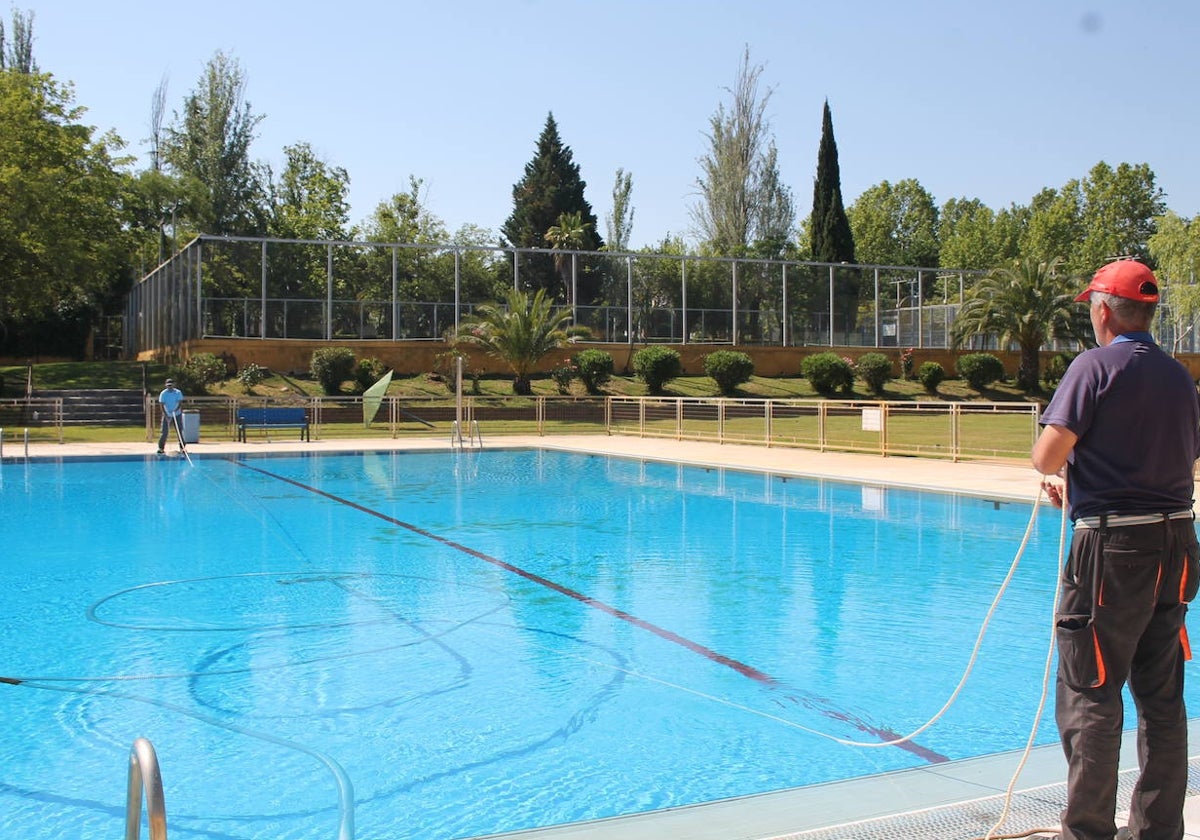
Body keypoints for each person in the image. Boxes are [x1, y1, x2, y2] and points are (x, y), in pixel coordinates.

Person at [1031, 259, 1200, 840]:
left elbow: (1047, 456)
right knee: (1162, 697)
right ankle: (1157, 831)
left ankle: (1087, 832)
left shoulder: (1094, 366)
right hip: (1176, 541)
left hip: (1111, 549)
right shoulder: (1180, 377)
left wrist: (1073, 483)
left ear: (1103, 311)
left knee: (1090, 691)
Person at [156, 378, 184, 454]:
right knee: (164, 432)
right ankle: (161, 448)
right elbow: (161, 405)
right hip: (167, 414)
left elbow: (180, 403)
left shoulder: (178, 392)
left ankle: (182, 448)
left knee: (179, 431)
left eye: (171, 385)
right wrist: (166, 415)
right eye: (168, 385)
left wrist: (175, 410)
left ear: (173, 385)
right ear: (166, 385)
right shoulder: (163, 393)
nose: (169, 387)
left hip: (177, 414)